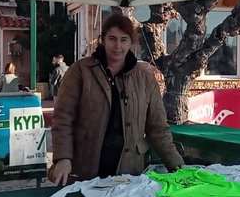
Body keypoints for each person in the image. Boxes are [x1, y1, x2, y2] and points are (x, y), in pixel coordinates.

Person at [49, 15, 183, 185]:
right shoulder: (81, 71)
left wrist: (177, 166)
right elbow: (63, 119)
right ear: (103, 40)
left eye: (123, 39)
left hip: (129, 172)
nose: (118, 46)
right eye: (112, 38)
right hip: (86, 168)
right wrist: (63, 158)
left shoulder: (145, 78)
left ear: (131, 43)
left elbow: (158, 128)